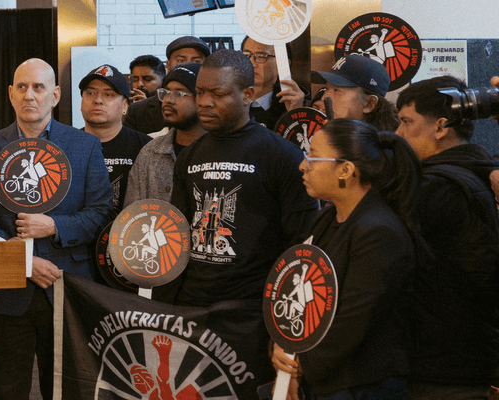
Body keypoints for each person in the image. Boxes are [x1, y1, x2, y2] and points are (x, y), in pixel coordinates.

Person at [0, 58, 113, 400]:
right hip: (7, 291)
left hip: (68, 288)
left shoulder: (85, 147)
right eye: (22, 87)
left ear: (54, 95)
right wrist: (21, 260)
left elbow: (102, 211)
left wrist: (55, 225)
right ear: (10, 94)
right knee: (8, 389)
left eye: (38, 87)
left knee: (72, 388)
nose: (30, 96)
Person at [272, 119, 419, 399]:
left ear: (346, 169)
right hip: (324, 377)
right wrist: (284, 347)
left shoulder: (379, 231)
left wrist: (298, 366)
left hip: (361, 384)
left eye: (313, 156)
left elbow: (354, 321)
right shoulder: (327, 217)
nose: (303, 165)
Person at [168, 49, 316, 307]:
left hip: (253, 309)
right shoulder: (189, 157)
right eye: (200, 92)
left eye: (218, 94)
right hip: (192, 304)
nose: (204, 102)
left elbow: (300, 243)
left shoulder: (281, 155)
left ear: (247, 95)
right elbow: (178, 234)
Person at [394, 75, 499, 400]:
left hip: (444, 370)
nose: (397, 134)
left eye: (406, 122)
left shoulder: (436, 189)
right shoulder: (482, 171)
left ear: (440, 127)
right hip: (468, 363)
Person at [126, 62, 206, 204]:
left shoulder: (219, 151)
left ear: (201, 99)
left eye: (179, 94)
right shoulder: (150, 151)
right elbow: (132, 213)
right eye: (166, 92)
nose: (168, 100)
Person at [78, 64, 150, 211]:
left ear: (125, 106)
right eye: (90, 93)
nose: (98, 100)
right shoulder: (66, 145)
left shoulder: (146, 148)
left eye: (108, 94)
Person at [124, 36, 209, 134]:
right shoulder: (138, 111)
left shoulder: (214, 109)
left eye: (196, 61)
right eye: (181, 60)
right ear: (168, 65)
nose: (188, 65)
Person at [311, 54, 398, 131]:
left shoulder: (383, 146)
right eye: (326, 89)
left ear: (369, 104)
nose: (323, 98)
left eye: (336, 90)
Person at [241, 37, 305, 129]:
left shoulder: (291, 104)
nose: (251, 63)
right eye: (246, 55)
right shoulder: (231, 101)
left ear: (282, 65)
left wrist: (295, 115)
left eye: (261, 56)